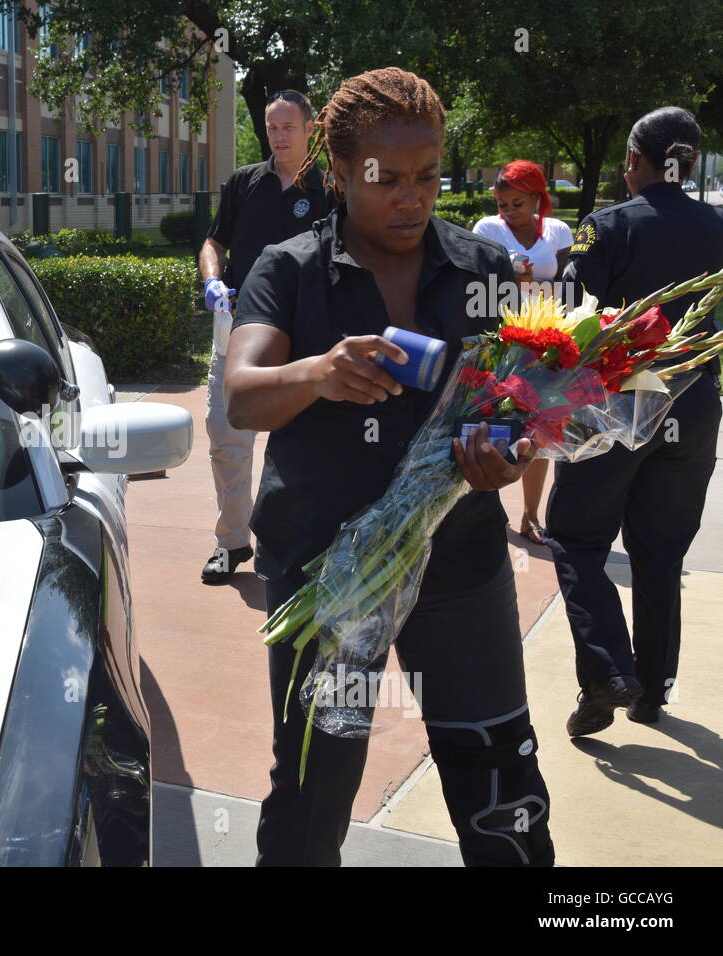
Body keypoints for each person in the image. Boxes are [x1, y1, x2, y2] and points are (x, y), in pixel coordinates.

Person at [226, 67, 554, 866]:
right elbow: (242, 395)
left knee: (501, 789)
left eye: (430, 176)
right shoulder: (290, 269)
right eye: (386, 179)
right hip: (329, 581)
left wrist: (505, 460)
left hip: (460, 572)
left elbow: (518, 410)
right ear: (337, 174)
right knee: (314, 789)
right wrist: (317, 373)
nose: (412, 198)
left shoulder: (481, 272)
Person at [547, 106, 723, 734]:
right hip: (696, 402)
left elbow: (565, 314)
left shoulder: (607, 225)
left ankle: (604, 673)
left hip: (619, 402)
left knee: (574, 536)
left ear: (634, 161)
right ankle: (651, 689)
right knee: (659, 553)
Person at [197, 90, 333, 584]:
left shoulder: (329, 185)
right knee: (225, 431)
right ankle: (232, 542)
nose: (278, 136)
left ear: (310, 130)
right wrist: (213, 279)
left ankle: (310, 543)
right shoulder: (244, 183)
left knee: (307, 437)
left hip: (306, 327)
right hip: (237, 322)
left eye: (287, 127)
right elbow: (215, 241)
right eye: (272, 128)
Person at [472, 160, 574, 544]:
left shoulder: (559, 232)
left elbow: (568, 289)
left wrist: (532, 290)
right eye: (502, 204)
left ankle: (530, 516)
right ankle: (484, 513)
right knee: (491, 423)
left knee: (541, 429)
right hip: (501, 339)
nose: (509, 212)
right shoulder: (487, 229)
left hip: (546, 343)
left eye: (517, 203)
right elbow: (477, 288)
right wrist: (515, 285)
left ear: (537, 197)